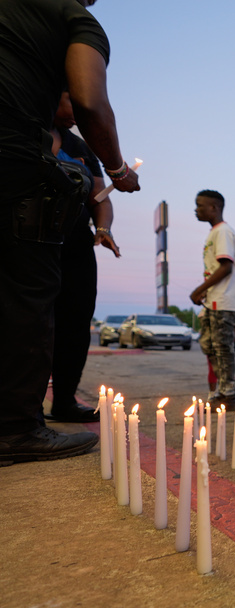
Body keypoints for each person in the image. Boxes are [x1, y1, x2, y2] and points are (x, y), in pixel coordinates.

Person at [0, 0, 139, 464]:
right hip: (15, 166)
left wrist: (102, 224)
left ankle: (52, 402)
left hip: (71, 234)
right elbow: (91, 98)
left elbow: (97, 196)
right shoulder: (71, 18)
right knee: (28, 297)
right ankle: (17, 429)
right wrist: (120, 168)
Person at [48, 92, 121, 423]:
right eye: (72, 106)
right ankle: (23, 409)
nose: (77, 116)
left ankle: (64, 401)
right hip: (34, 241)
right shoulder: (24, 130)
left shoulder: (81, 148)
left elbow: (100, 197)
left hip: (76, 244)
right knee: (32, 325)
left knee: (76, 324)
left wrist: (102, 228)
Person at [189, 190, 235, 411]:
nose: (196, 209)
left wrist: (200, 288)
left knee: (222, 347)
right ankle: (218, 391)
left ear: (213, 207)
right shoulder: (215, 232)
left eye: (200, 205)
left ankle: (228, 394)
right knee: (209, 345)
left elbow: (226, 266)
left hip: (224, 298)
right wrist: (205, 291)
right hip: (214, 297)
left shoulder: (222, 232)